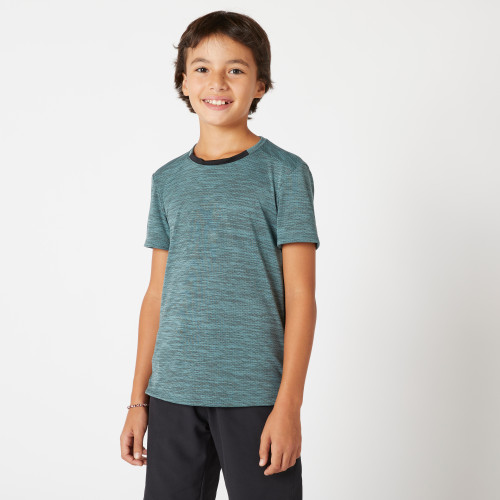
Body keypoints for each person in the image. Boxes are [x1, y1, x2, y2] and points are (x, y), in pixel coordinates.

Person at [120, 10, 320, 500]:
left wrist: (288, 406)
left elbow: (301, 296)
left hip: (255, 395)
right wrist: (137, 402)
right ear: (184, 82)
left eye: (235, 69)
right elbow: (156, 295)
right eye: (202, 68)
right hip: (172, 394)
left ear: (260, 85)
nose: (217, 82)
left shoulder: (284, 173)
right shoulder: (167, 180)